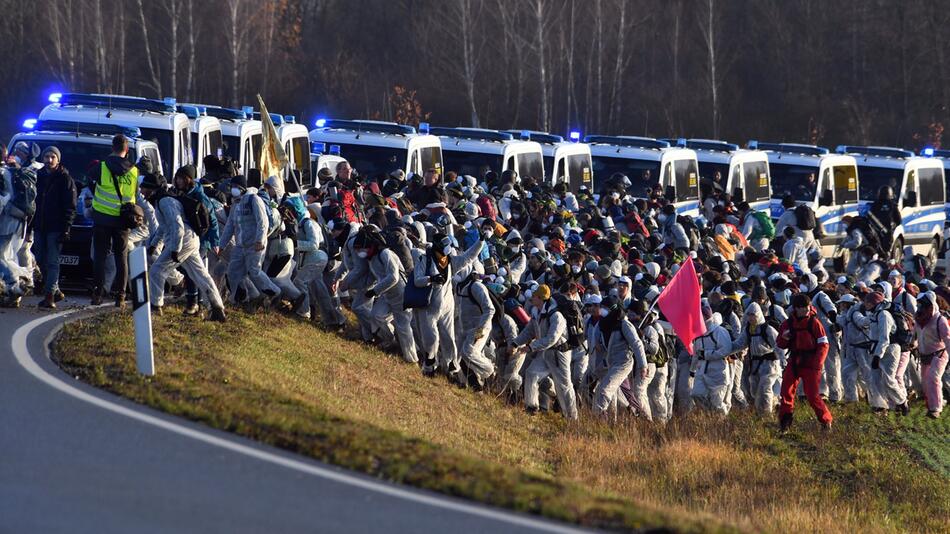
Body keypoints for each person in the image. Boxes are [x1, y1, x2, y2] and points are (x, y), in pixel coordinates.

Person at [145, 166, 226, 322]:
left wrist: (175, 249)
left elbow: (177, 226)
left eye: (145, 188)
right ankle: (217, 309)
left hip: (184, 240)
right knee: (200, 275)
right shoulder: (164, 199)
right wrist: (154, 245)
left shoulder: (165, 201)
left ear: (153, 189)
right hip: (191, 240)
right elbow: (164, 226)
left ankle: (156, 308)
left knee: (157, 270)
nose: (142, 191)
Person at [513, 284, 579, 419]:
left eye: (534, 296)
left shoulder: (556, 316)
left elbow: (552, 338)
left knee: (564, 385)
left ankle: (572, 418)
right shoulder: (536, 312)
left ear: (541, 298)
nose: (532, 299)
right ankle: (531, 407)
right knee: (531, 373)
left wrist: (531, 347)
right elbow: (529, 331)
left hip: (559, 354)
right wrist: (515, 343)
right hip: (546, 352)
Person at [218, 174, 281, 308]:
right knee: (232, 272)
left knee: (254, 271)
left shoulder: (254, 199)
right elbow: (230, 226)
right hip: (240, 245)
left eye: (235, 186)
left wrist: (259, 240)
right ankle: (240, 299)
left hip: (255, 245)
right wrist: (221, 245)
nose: (232, 189)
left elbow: (262, 222)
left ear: (242, 187)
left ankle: (274, 292)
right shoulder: (235, 204)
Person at [90, 134, 138, 307]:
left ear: (112, 148)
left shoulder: (102, 167)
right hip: (123, 220)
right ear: (126, 150)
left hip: (102, 218)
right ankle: (121, 295)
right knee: (121, 258)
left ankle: (97, 293)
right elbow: (134, 193)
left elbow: (90, 180)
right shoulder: (134, 170)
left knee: (100, 257)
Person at [776, 293, 833, 431]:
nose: (806, 310)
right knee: (786, 392)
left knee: (812, 395)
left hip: (811, 363)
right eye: (802, 307)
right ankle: (785, 423)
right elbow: (780, 344)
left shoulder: (814, 323)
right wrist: (784, 338)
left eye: (807, 307)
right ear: (796, 308)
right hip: (795, 361)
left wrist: (817, 364)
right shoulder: (787, 324)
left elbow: (824, 345)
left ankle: (826, 421)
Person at [31, 146, 77, 309]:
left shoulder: (65, 179)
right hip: (39, 225)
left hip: (56, 227)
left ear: (58, 160)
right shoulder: (38, 176)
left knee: (52, 261)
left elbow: (70, 206)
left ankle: (49, 296)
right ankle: (55, 290)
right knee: (39, 258)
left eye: (53, 157)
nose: (49, 160)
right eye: (47, 157)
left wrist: (66, 228)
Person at [689, 303, 734, 415]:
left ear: (705, 317)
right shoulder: (698, 334)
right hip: (702, 371)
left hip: (718, 373)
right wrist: (692, 369)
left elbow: (726, 350)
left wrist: (707, 354)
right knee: (696, 394)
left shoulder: (719, 331)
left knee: (717, 403)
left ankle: (721, 423)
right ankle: (709, 415)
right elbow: (696, 353)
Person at [914, 291, 949, 418]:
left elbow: (947, 339)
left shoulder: (940, 320)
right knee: (925, 382)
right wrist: (912, 343)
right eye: (919, 304)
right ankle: (937, 402)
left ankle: (935, 409)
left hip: (939, 354)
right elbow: (916, 334)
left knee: (933, 379)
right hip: (924, 355)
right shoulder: (918, 318)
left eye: (923, 304)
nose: (920, 307)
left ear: (930, 305)